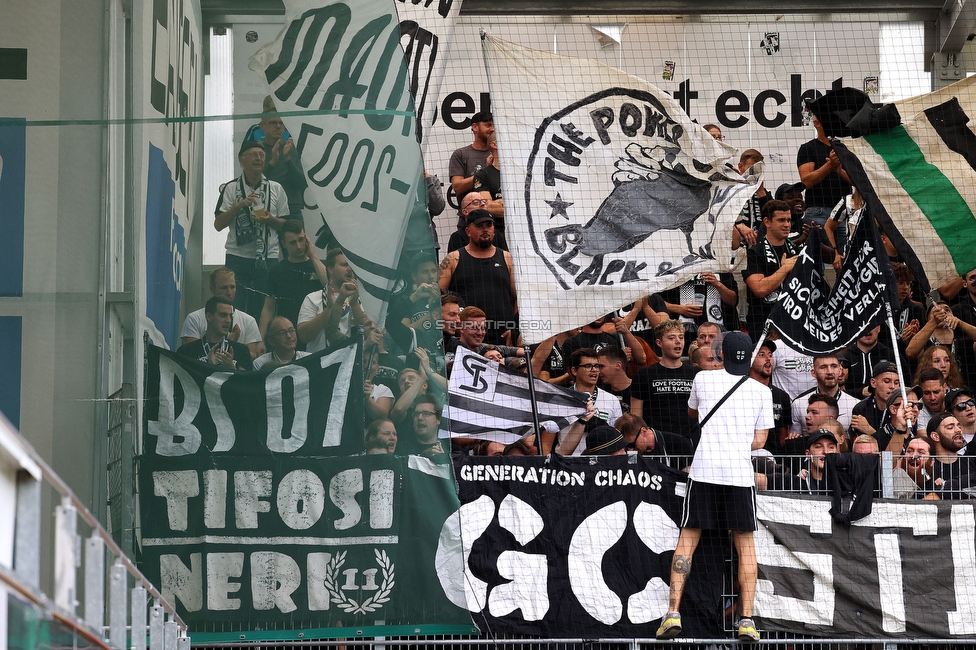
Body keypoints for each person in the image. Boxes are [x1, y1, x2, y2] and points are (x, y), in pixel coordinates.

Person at [656, 332, 772, 642]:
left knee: (688, 540)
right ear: (748, 358)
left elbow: (692, 414)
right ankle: (747, 619)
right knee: (745, 546)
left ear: (720, 354)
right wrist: (735, 442)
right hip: (738, 474)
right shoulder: (762, 391)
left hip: (705, 469)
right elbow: (760, 441)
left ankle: (672, 612)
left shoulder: (703, 380)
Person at [214, 139, 289, 319]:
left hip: (267, 257)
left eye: (262, 155)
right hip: (237, 257)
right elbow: (218, 225)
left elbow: (287, 226)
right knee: (233, 307)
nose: (258, 158)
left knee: (264, 309)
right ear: (241, 160)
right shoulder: (231, 189)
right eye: (253, 155)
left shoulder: (276, 189)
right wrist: (238, 206)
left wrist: (270, 219)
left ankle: (261, 345)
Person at [439, 209, 517, 345]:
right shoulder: (453, 259)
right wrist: (453, 324)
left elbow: (520, 299)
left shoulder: (507, 258)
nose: (485, 229)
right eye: (480, 226)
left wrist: (515, 328)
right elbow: (436, 298)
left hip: (503, 337)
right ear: (468, 231)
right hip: (465, 339)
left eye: (489, 225)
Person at [259, 220, 328, 342]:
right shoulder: (277, 271)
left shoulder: (318, 266)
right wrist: (261, 339)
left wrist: (313, 256)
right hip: (287, 334)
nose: (299, 246)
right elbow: (268, 308)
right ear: (284, 244)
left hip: (315, 331)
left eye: (301, 240)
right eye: (293, 242)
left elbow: (329, 285)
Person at [631, 320, 700, 442]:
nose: (678, 341)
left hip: (691, 441)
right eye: (671, 338)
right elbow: (636, 417)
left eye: (681, 337)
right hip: (657, 442)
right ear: (659, 342)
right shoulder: (644, 374)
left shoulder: (697, 374)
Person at [742, 200, 799, 342]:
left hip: (793, 324)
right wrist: (784, 269)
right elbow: (759, 288)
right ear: (767, 222)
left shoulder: (796, 252)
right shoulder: (754, 252)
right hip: (763, 324)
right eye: (781, 220)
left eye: (788, 220)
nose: (787, 224)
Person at [180, 267, 263, 360]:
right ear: (212, 289)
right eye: (224, 288)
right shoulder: (194, 319)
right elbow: (190, 355)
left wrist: (231, 346)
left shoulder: (249, 321)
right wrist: (228, 343)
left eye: (232, 287)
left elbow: (252, 358)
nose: (229, 292)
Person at [297, 249, 369, 353]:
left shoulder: (359, 299)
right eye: (344, 265)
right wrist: (329, 309)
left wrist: (354, 304)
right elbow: (304, 336)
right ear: (330, 269)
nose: (350, 269)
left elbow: (366, 333)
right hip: (318, 362)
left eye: (351, 265)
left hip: (347, 361)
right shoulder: (312, 298)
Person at [797, 114, 852, 241]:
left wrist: (839, 171)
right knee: (820, 257)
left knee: (844, 258)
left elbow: (857, 181)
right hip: (819, 212)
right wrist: (829, 165)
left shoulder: (844, 148)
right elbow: (806, 181)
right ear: (817, 123)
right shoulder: (808, 148)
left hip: (844, 213)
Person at [176, 297, 254, 371]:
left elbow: (245, 383)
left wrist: (231, 369)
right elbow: (184, 382)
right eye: (223, 315)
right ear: (209, 316)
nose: (228, 320)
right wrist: (209, 367)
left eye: (230, 316)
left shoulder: (241, 351)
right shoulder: (187, 352)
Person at [790, 354, 860, 434]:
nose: (830, 372)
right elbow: (795, 440)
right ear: (814, 373)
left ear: (840, 370)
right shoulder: (799, 404)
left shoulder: (855, 405)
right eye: (823, 367)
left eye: (834, 366)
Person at [449, 110, 494, 208]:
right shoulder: (461, 154)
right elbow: (457, 187)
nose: (493, 129)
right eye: (488, 125)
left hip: (497, 217)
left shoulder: (500, 154)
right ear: (475, 127)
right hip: (469, 218)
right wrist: (486, 172)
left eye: (495, 126)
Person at [927, 412, 974, 498]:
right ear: (935, 436)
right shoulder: (927, 467)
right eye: (950, 427)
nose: (958, 430)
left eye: (959, 426)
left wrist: (945, 486)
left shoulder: (971, 463)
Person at [841, 325, 894, 399]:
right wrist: (860, 392)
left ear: (878, 328)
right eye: (862, 325)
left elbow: (905, 386)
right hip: (851, 408)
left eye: (870, 324)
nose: (867, 330)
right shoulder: (844, 359)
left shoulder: (892, 356)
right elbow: (837, 392)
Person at [850, 361, 901, 438]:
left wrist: (869, 430)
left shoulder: (901, 410)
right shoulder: (861, 409)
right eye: (887, 381)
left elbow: (897, 446)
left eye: (896, 383)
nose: (892, 386)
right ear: (873, 383)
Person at [952, 268, 976, 389]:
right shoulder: (957, 310)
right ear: (964, 283)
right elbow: (957, 342)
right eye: (972, 278)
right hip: (970, 369)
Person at [597, 346, 633, 415]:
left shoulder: (639, 390)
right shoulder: (599, 392)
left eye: (601, 366)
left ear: (618, 365)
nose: (598, 371)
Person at [917, 367, 948, 431]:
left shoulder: (954, 401)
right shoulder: (918, 407)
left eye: (936, 392)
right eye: (927, 393)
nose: (932, 398)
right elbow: (922, 434)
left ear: (944, 388)